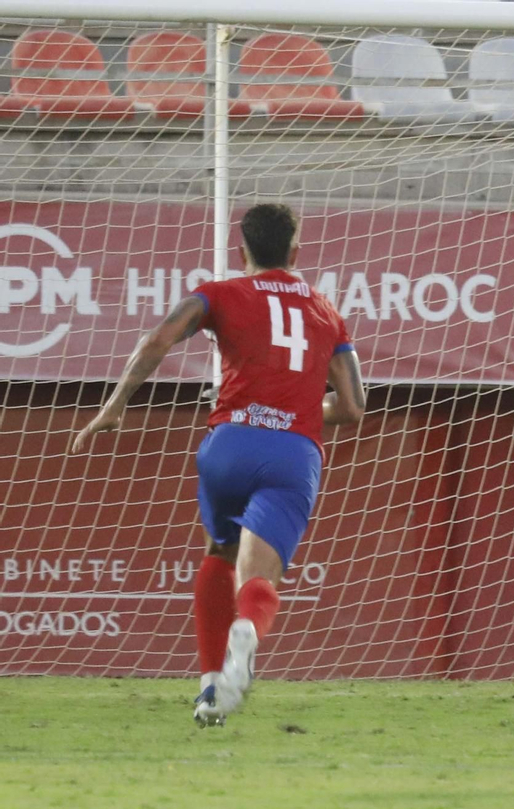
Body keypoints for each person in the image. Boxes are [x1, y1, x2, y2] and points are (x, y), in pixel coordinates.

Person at [70, 204, 365, 727]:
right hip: (292, 452)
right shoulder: (326, 311)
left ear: (241, 250)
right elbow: (353, 407)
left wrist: (115, 405)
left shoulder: (219, 293)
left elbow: (157, 339)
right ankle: (246, 632)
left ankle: (209, 688)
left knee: (220, 551)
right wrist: (302, 406)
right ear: (295, 253)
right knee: (259, 578)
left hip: (229, 445)